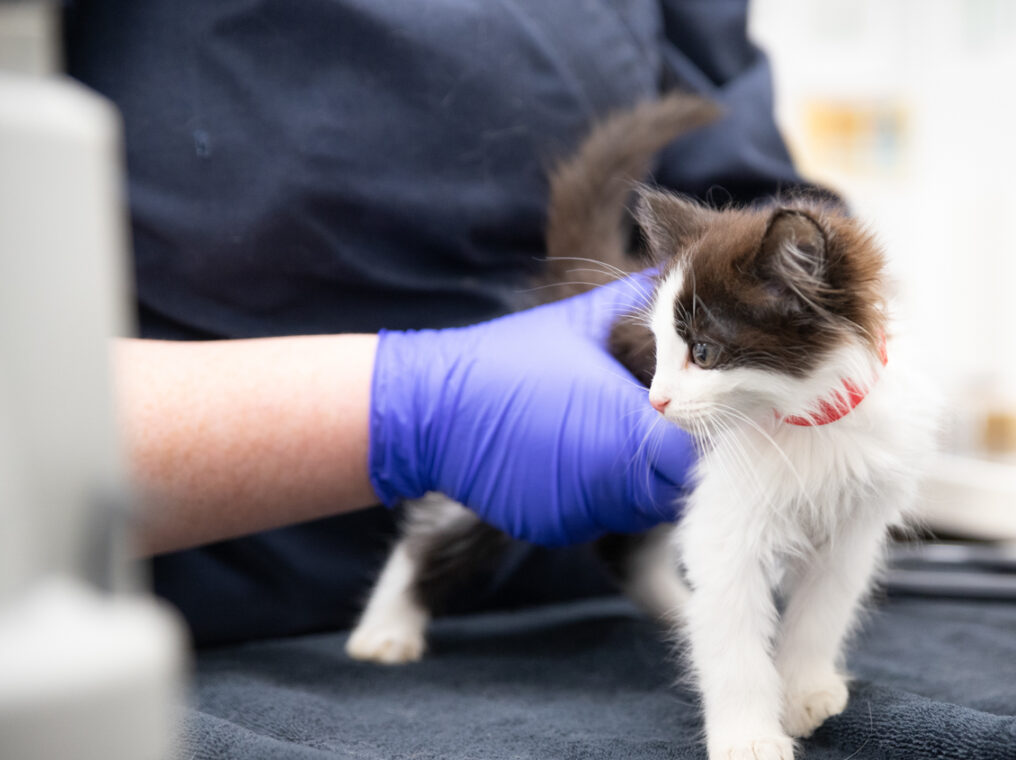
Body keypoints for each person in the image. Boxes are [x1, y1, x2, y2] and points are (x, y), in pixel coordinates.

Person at [64, 0, 811, 644]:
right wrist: (418, 406)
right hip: (209, 615)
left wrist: (834, 332)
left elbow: (754, 204)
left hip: (592, 623)